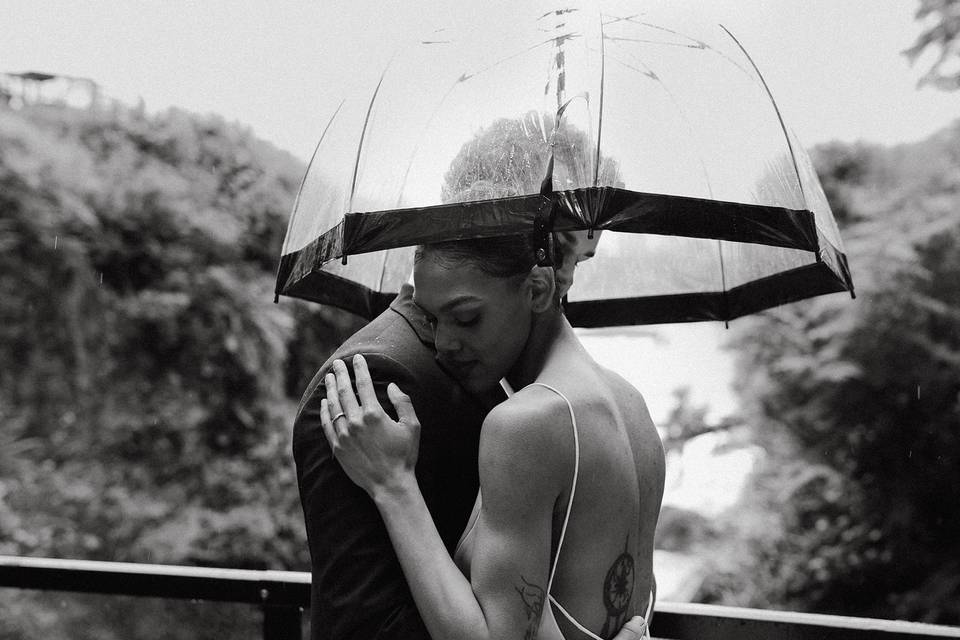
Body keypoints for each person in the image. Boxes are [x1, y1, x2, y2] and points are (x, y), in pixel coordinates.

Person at [294, 231, 641, 640]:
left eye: (466, 318)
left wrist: (393, 485)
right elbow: (632, 608)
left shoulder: (525, 422)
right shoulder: (632, 408)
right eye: (432, 320)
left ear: (538, 289)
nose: (443, 343)